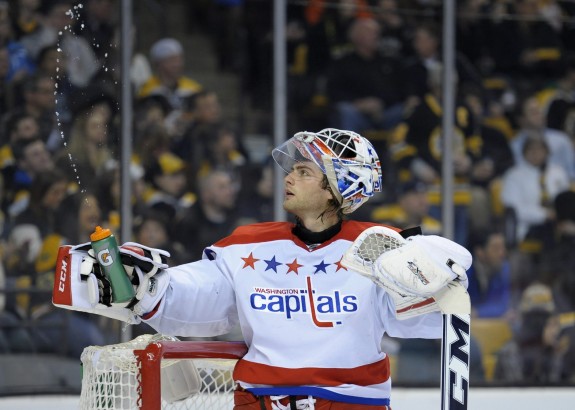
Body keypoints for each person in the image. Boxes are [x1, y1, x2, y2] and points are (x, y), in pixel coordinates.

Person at [55, 128, 472, 409]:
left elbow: (436, 323)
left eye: (305, 171)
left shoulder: (379, 248)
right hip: (259, 402)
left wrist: (441, 280)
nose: (290, 176)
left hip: (349, 403)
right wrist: (147, 287)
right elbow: (202, 296)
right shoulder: (249, 244)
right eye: (293, 168)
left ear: (336, 189)